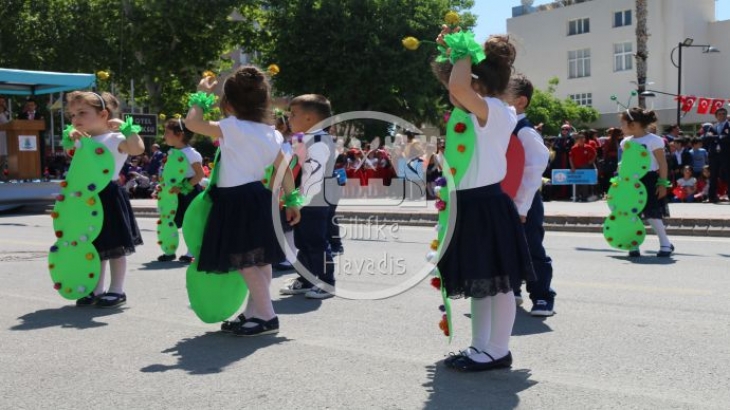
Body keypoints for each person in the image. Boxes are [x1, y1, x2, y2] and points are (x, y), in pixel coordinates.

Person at [435, 29, 535, 372]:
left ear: (477, 83)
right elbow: (455, 88)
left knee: (499, 283)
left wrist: (464, 51)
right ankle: (480, 347)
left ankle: (498, 349)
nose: (455, 90)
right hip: (471, 205)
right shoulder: (481, 109)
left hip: (486, 205)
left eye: (465, 78)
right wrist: (453, 52)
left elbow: (457, 88)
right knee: (482, 282)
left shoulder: (495, 110)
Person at [186, 66, 300, 336]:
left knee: (244, 261)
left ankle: (268, 316)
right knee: (260, 260)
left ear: (227, 103)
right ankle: (253, 313)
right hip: (260, 198)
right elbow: (283, 170)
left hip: (235, 201)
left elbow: (192, 123)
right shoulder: (272, 133)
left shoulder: (233, 127)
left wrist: (200, 96)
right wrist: (293, 201)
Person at [65, 91, 145, 308]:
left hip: (107, 195)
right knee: (93, 246)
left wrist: (128, 130)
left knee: (115, 245)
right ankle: (95, 288)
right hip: (85, 198)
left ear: (103, 114)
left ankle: (117, 290)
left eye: (82, 112)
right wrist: (71, 137)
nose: (76, 119)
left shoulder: (115, 138)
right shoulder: (83, 140)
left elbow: (137, 149)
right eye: (72, 115)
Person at [279, 94, 339, 300]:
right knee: (302, 241)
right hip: (303, 201)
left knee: (316, 242)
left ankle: (326, 282)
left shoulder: (319, 141)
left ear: (310, 118)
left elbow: (315, 176)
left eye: (293, 114)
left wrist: (299, 200)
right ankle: (306, 279)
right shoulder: (306, 139)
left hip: (314, 201)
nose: (289, 119)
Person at [507, 73, 555, 317]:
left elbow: (535, 168)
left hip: (525, 201)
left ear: (521, 102)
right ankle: (512, 289)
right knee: (506, 247)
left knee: (531, 247)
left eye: (504, 93)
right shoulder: (501, 127)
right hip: (504, 199)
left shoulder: (524, 131)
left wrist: (522, 207)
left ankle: (543, 296)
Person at [619, 107, 673, 257]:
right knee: (631, 214)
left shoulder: (654, 140)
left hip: (649, 180)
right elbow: (625, 163)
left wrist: (662, 183)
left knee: (652, 214)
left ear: (633, 124)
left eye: (623, 123)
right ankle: (633, 244)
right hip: (630, 181)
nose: (621, 127)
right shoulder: (625, 142)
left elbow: (662, 163)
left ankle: (665, 244)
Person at [156, 118, 205, 263]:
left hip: (188, 192)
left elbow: (200, 175)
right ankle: (169, 250)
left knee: (190, 222)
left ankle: (191, 252)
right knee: (169, 221)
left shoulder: (191, 153)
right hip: (172, 193)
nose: (164, 135)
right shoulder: (172, 152)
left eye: (167, 132)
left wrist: (183, 188)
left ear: (180, 135)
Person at [569, 132, 597, 202]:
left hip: (585, 166)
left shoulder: (588, 147)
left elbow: (595, 153)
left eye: (582, 138)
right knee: (577, 182)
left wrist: (592, 160)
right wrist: (572, 167)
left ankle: (584, 197)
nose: (581, 140)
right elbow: (570, 158)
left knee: (585, 183)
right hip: (576, 167)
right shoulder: (574, 148)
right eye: (579, 139)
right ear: (577, 140)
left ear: (584, 139)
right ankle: (577, 197)